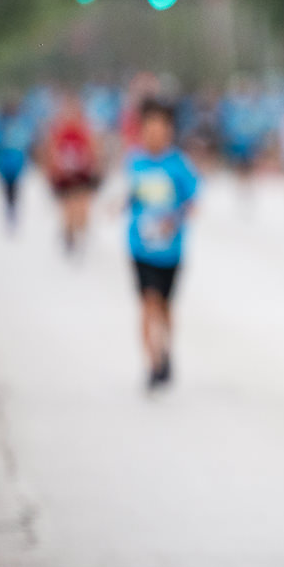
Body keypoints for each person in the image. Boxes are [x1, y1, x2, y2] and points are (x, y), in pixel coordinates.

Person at [125, 98, 199, 389]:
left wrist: (175, 218)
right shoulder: (134, 162)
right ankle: (153, 363)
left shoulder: (178, 164)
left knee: (165, 307)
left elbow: (193, 201)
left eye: (161, 128)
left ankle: (166, 350)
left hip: (171, 250)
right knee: (148, 303)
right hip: (140, 247)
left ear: (169, 131)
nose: (155, 134)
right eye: (150, 128)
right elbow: (129, 194)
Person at [40, 94, 102, 256]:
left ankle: (80, 231)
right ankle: (69, 234)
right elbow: (50, 153)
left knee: (82, 207)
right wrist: (52, 172)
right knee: (68, 208)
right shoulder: (58, 132)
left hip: (82, 175)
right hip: (64, 177)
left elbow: (93, 151)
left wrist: (94, 168)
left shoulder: (85, 130)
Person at [0, 95, 37, 232]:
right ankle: (10, 210)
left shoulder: (22, 121)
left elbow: (30, 139)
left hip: (17, 162)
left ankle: (12, 210)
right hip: (4, 162)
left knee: (14, 189)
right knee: (7, 189)